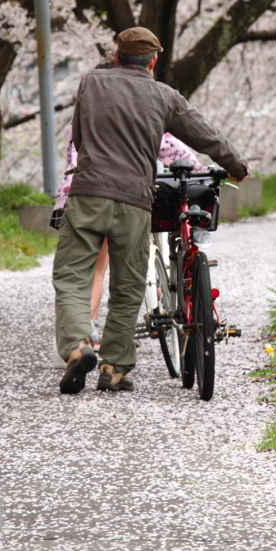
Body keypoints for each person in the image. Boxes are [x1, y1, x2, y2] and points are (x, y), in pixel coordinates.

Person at [53, 26, 248, 395]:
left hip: (88, 193)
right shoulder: (164, 95)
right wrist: (237, 166)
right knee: (128, 287)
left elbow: (78, 136)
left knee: (72, 276)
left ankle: (78, 345)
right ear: (154, 61)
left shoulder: (90, 83)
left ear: (116, 56)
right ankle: (113, 367)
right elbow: (204, 134)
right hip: (134, 200)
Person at [52, 121, 207, 348]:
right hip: (103, 193)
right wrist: (200, 172)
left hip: (70, 194)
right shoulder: (133, 111)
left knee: (73, 274)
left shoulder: (83, 112)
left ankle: (68, 343)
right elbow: (171, 148)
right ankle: (90, 335)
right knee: (97, 272)